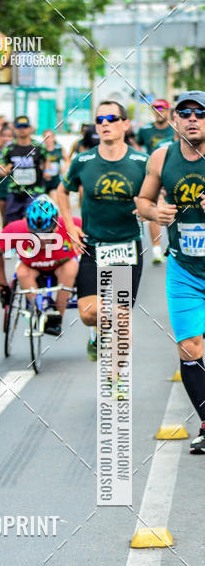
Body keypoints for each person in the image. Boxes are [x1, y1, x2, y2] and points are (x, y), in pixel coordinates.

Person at [136, 90, 205, 453]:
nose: (192, 118)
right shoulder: (162, 157)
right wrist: (154, 213)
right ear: (174, 119)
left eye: (200, 113)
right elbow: (143, 201)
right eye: (185, 113)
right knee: (190, 348)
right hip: (185, 268)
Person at [57, 100, 148, 361]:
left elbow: (157, 194)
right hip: (93, 245)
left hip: (127, 246)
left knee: (120, 316)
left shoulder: (142, 162)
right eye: (100, 120)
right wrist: (70, 228)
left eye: (111, 118)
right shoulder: (83, 161)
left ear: (125, 124)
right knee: (88, 313)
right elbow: (63, 191)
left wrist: (149, 208)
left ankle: (117, 382)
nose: (105, 124)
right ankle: (99, 332)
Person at [0, 194, 79, 336]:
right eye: (36, 235)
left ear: (56, 227)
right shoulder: (16, 229)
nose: (41, 240)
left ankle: (56, 319)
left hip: (62, 266)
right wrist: (3, 286)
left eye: (46, 234)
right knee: (21, 272)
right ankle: (37, 311)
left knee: (71, 267)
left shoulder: (71, 225)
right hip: (31, 267)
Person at [136, 99, 176, 265]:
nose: (159, 112)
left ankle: (175, 247)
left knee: (174, 213)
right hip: (155, 177)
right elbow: (138, 148)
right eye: (156, 109)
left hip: (177, 178)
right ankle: (157, 249)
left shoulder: (177, 130)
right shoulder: (147, 132)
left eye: (162, 109)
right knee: (154, 206)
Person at [0, 114, 47, 223]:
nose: (22, 130)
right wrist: (4, 169)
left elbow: (47, 160)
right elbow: (2, 165)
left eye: (25, 127)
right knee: (11, 223)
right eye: (19, 127)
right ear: (15, 129)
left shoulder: (38, 146)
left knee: (32, 222)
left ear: (30, 128)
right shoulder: (9, 148)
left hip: (34, 191)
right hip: (15, 191)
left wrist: (46, 170)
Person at [42, 129, 68, 198]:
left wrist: (64, 167)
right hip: (43, 181)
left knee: (55, 199)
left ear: (53, 138)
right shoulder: (41, 150)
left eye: (49, 137)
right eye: (45, 137)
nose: (47, 139)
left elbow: (68, 160)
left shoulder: (59, 148)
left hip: (55, 180)